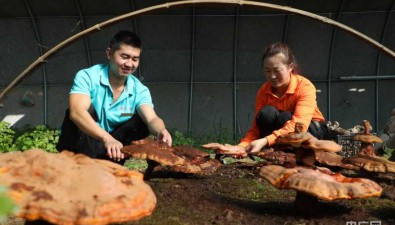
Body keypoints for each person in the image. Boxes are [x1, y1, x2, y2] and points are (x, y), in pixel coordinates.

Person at [56, 30, 172, 163]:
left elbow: (152, 118)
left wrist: (161, 131)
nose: (129, 64)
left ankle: (115, 159)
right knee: (84, 110)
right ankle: (82, 163)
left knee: (141, 122)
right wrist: (107, 138)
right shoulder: (87, 76)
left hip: (112, 145)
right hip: (81, 144)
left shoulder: (139, 89)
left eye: (135, 59)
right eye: (124, 57)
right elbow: (76, 112)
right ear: (109, 53)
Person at [238, 42, 330, 153]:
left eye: (277, 71)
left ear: (290, 67)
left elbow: (300, 126)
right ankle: (276, 152)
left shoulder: (304, 86)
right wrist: (241, 147)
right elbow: (256, 129)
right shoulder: (264, 91)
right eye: (267, 71)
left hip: (312, 130)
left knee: (285, 117)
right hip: (281, 135)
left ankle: (295, 154)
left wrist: (265, 140)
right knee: (266, 113)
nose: (272, 76)